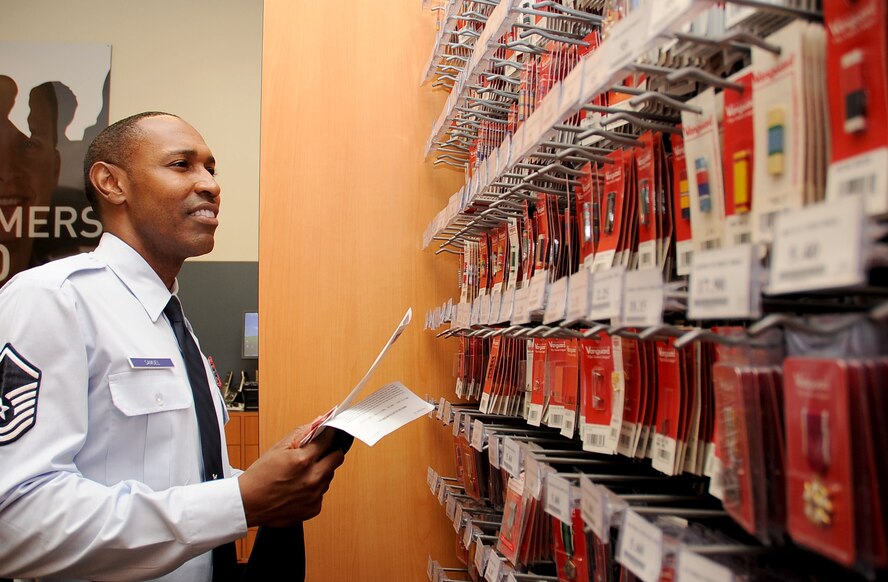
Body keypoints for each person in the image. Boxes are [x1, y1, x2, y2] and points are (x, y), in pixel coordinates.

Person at [0, 111, 346, 581]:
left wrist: (267, 486)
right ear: (110, 183)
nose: (210, 184)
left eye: (211, 168)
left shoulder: (172, 324)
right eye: (181, 165)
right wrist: (238, 500)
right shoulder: (52, 299)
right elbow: (17, 525)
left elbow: (177, 484)